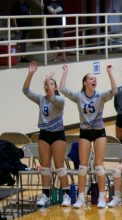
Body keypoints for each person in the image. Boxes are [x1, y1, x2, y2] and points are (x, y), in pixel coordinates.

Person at [59, 64, 117, 209]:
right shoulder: (79, 96)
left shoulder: (100, 96)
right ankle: (80, 198)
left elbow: (114, 90)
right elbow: (62, 89)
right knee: (83, 166)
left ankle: (102, 198)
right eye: (91, 78)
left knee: (98, 165)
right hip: (84, 131)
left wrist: (109, 72)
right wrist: (65, 72)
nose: (94, 80)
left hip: (99, 131)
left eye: (95, 79)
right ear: (85, 82)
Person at [22, 60, 70, 207]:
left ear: (55, 87)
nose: (47, 87)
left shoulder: (59, 100)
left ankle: (66, 195)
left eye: (50, 84)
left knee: (60, 165)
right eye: (46, 85)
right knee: (45, 166)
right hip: (44, 134)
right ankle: (45, 195)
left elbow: (53, 96)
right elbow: (26, 91)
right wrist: (30, 74)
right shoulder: (41, 99)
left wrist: (49, 80)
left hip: (57, 135)